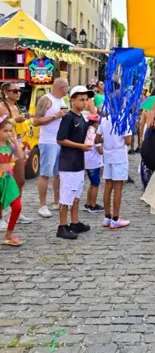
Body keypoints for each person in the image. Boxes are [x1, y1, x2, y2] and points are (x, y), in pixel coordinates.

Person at [56, 85, 93, 240]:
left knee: (77, 195)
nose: (84, 103)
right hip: (68, 163)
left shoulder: (81, 117)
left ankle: (74, 222)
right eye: (81, 100)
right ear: (72, 100)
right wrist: (80, 146)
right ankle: (62, 226)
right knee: (66, 196)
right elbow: (60, 139)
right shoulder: (68, 117)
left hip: (79, 163)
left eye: (86, 100)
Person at [32, 77, 69, 218]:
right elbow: (36, 121)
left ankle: (56, 201)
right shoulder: (46, 100)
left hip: (59, 140)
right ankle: (42, 205)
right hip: (48, 141)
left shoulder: (62, 101)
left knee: (58, 173)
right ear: (61, 88)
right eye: (66, 87)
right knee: (45, 173)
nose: (67, 90)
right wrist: (55, 116)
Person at [0, 82, 32, 225]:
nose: (18, 93)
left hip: (17, 142)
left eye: (20, 91)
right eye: (14, 91)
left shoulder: (16, 106)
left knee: (20, 180)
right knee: (2, 182)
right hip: (5, 145)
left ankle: (16, 212)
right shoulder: (2, 106)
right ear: (6, 92)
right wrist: (15, 120)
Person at [95, 112, 132, 229]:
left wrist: (108, 139)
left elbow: (97, 139)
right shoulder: (124, 119)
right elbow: (128, 141)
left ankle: (107, 217)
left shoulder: (104, 120)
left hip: (108, 155)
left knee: (108, 185)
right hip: (119, 156)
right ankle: (115, 218)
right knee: (118, 187)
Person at [0, 118, 25, 245]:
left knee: (17, 206)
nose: (8, 133)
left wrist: (16, 141)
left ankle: (9, 233)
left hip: (8, 180)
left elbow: (20, 156)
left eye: (10, 131)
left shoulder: (10, 144)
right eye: (5, 131)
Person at [83, 114, 104, 213]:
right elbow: (100, 150)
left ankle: (88, 203)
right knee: (95, 184)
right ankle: (93, 205)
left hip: (87, 161)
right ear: (95, 123)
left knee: (91, 184)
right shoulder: (96, 135)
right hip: (94, 162)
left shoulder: (87, 132)